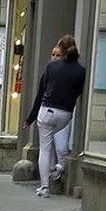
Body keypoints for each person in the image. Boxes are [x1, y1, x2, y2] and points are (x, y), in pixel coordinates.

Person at [25, 34, 87, 197]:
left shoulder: (52, 66)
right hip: (65, 114)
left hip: (48, 111)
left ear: (61, 49)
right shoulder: (81, 71)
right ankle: (58, 166)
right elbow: (78, 93)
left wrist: (31, 118)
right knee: (57, 142)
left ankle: (45, 187)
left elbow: (41, 93)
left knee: (45, 148)